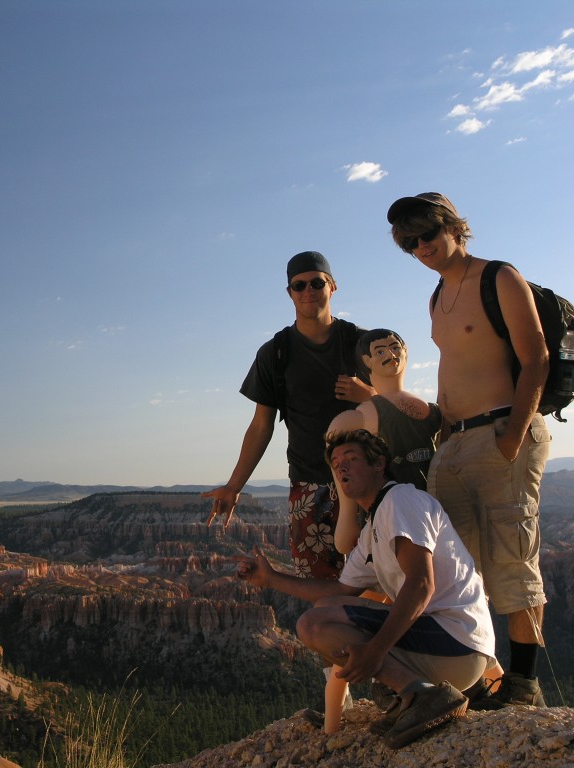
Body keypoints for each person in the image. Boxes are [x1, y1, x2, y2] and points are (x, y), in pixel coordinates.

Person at [387, 192, 550, 708]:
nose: (421, 248)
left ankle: (524, 686)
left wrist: (513, 436)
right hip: (453, 444)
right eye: (409, 243)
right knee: (459, 570)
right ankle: (479, 679)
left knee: (512, 563)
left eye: (427, 235)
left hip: (502, 431)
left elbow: (537, 358)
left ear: (453, 227)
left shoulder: (498, 277)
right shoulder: (437, 297)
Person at [234, 429, 495, 749]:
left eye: (351, 459)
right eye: (336, 463)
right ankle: (407, 697)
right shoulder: (374, 526)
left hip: (456, 640)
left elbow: (421, 584)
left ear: (379, 464)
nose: (341, 467)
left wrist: (375, 651)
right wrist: (271, 578)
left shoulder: (401, 500)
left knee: (312, 623)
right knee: (325, 610)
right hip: (445, 647)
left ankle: (422, 695)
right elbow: (339, 591)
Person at [203, 251, 374, 581]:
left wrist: (369, 396)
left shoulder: (363, 343)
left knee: (378, 587)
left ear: (333, 286)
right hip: (310, 485)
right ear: (290, 292)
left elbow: (397, 405)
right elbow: (261, 425)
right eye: (299, 285)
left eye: (316, 283)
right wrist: (234, 486)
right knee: (320, 587)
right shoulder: (275, 353)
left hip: (368, 483)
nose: (308, 291)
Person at [327, 329, 442, 554]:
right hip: (388, 518)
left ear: (405, 352)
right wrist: (348, 520)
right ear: (366, 361)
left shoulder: (433, 411)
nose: (390, 354)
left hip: (433, 513)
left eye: (395, 347)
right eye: (380, 351)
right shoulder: (363, 416)